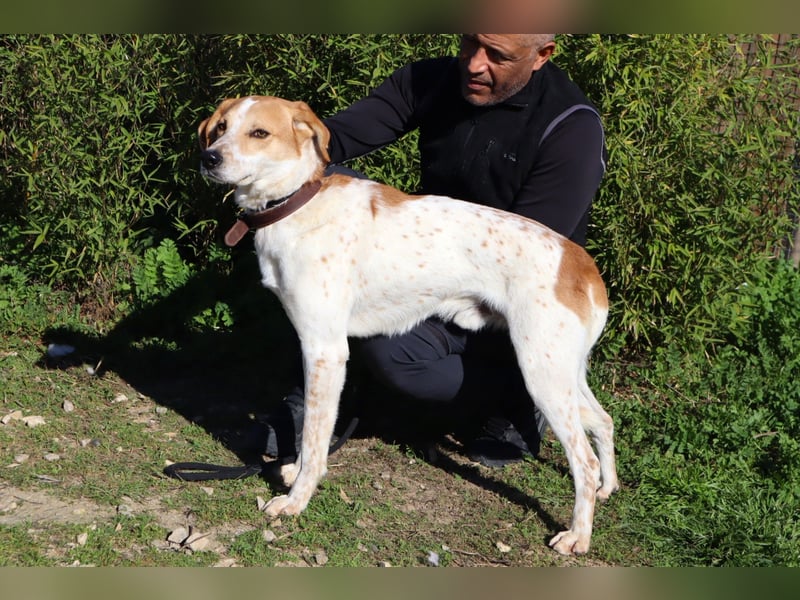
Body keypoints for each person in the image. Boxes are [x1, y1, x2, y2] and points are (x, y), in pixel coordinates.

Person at [256, 34, 607, 468]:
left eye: (497, 55)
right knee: (313, 196)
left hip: (508, 291)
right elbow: (331, 143)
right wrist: (265, 143)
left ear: (542, 56)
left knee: (400, 361)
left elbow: (529, 252)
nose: (474, 64)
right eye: (469, 42)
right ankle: (314, 395)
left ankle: (518, 394)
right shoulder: (431, 79)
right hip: (434, 260)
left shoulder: (571, 128)